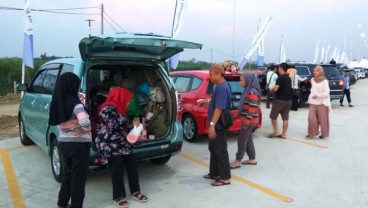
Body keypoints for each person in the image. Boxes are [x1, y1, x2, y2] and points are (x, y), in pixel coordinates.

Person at [95, 87, 148, 208]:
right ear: (121, 97)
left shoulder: (122, 109)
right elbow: (113, 124)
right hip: (107, 142)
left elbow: (126, 127)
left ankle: (135, 191)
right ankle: (118, 195)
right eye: (128, 100)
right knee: (117, 163)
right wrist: (131, 122)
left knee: (132, 159)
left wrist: (138, 127)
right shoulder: (106, 108)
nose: (129, 102)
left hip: (120, 141)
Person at [49, 72, 92, 208]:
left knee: (68, 174)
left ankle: (62, 203)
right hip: (79, 145)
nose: (79, 89)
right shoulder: (76, 104)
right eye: (78, 86)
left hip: (64, 143)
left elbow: (58, 123)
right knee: (78, 178)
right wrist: (86, 129)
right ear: (72, 85)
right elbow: (84, 121)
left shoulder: (58, 102)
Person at [202, 64, 231, 186]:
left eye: (211, 74)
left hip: (218, 126)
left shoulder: (222, 88)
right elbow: (215, 104)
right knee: (213, 149)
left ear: (219, 74)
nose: (210, 77)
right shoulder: (218, 86)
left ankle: (225, 177)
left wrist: (212, 125)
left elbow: (219, 108)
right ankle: (214, 173)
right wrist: (205, 102)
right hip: (215, 124)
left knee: (220, 151)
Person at [229, 73, 261, 169]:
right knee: (248, 139)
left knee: (242, 140)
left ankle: (238, 160)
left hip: (249, 121)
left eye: (242, 80)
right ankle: (252, 158)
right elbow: (245, 107)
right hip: (247, 119)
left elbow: (253, 108)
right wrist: (236, 116)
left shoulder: (252, 92)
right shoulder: (247, 91)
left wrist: (246, 121)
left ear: (248, 81)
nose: (240, 82)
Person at [268, 63, 292, 139]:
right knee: (285, 118)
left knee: (273, 116)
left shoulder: (280, 77)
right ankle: (283, 134)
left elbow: (276, 89)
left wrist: (271, 90)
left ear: (281, 68)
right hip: (288, 101)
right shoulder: (289, 78)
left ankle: (276, 132)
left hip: (279, 100)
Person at [307, 66, 331, 139]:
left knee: (323, 120)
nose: (315, 72)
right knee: (311, 118)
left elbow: (327, 93)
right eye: (314, 70)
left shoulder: (325, 81)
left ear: (320, 71)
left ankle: (324, 134)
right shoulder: (312, 79)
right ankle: (313, 132)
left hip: (322, 103)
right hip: (313, 102)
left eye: (317, 71)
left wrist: (318, 95)